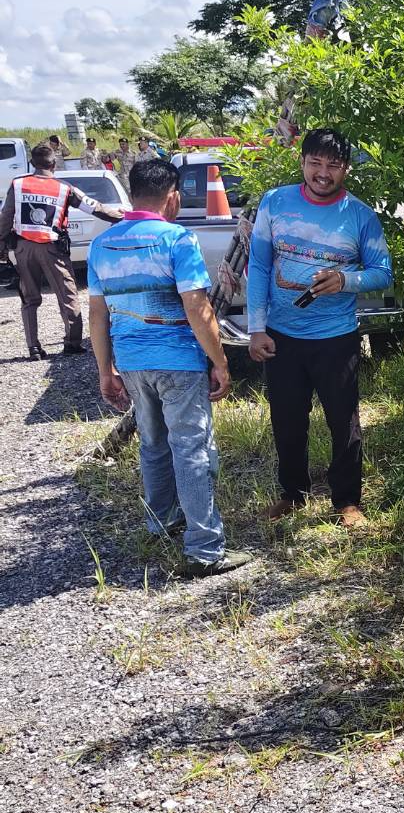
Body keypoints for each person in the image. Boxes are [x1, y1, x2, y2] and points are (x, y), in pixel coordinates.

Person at [88, 159, 250, 578]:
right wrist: (220, 361)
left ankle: (161, 521)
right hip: (178, 362)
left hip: (132, 363)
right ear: (173, 196)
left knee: (153, 443)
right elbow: (197, 307)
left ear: (132, 194)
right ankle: (205, 549)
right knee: (192, 448)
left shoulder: (102, 245)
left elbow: (98, 315)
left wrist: (106, 370)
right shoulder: (178, 239)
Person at [247, 127, 393, 526]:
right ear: (302, 162)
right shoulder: (275, 202)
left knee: (343, 421)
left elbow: (383, 273)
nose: (323, 173)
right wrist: (256, 328)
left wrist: (346, 280)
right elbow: (258, 265)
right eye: (315, 163)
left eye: (333, 165)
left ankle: (347, 501)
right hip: (281, 335)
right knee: (287, 419)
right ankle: (292, 494)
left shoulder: (361, 216)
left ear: (346, 169)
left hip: (336, 337)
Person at [0, 144, 123, 359]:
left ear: (32, 163)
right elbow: (93, 207)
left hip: (23, 248)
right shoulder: (64, 188)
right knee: (67, 296)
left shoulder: (18, 184)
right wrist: (121, 216)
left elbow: (5, 217)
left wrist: (2, 245)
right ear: (54, 164)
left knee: (29, 299)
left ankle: (33, 348)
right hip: (53, 249)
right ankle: (73, 343)